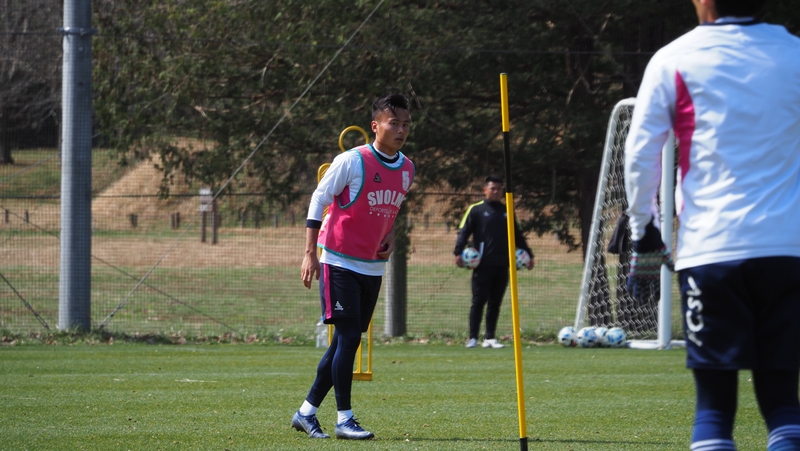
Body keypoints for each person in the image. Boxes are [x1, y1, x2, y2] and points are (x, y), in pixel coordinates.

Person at [624, 1, 800, 450]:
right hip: (788, 251)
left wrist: (645, 229)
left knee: (714, 409)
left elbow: (641, 154)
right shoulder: (794, 53)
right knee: (784, 402)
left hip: (712, 251)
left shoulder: (674, 58)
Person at [293, 94, 415, 440]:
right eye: (394, 123)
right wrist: (309, 253)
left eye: (406, 124)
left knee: (343, 345)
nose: (401, 130)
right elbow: (319, 198)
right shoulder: (352, 160)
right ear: (375, 126)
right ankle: (344, 419)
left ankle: (305, 413)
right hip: (339, 260)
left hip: (372, 266)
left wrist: (390, 234)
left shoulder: (407, 168)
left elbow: (392, 208)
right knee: (348, 339)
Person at [453, 175, 534, 349]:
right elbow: (464, 231)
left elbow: (517, 235)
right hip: (482, 264)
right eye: (493, 188)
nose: (496, 191)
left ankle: (490, 337)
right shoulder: (476, 209)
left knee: (495, 302)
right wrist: (458, 252)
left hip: (503, 264)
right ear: (485, 190)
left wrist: (529, 254)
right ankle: (473, 338)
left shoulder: (507, 211)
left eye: (499, 188)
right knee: (478, 301)